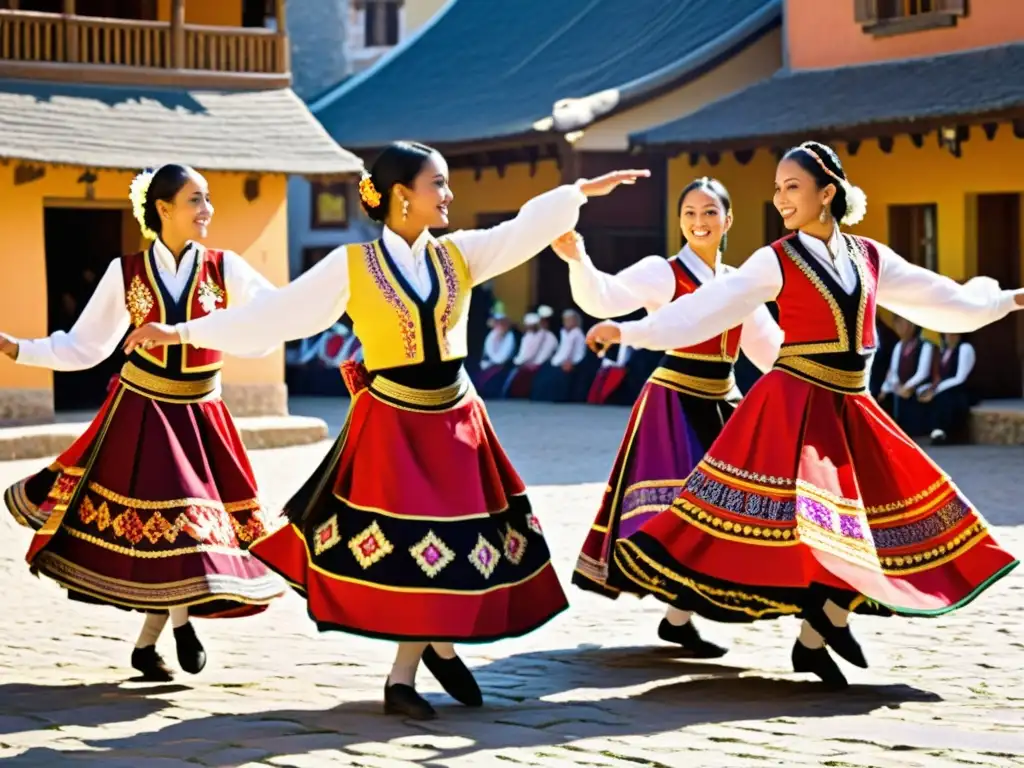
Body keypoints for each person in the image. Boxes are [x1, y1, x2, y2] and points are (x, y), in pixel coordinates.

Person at [123, 141, 649, 719]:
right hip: (395, 423)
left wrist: (577, 195)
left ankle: (438, 650)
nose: (449, 195)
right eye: (438, 184)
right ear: (402, 195)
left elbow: (524, 229)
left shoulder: (462, 255)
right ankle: (406, 676)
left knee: (454, 546)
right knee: (413, 549)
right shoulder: (350, 265)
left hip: (457, 419)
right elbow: (280, 313)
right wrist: (181, 334)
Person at [585, 141, 1022, 687]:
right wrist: (630, 330)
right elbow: (703, 311)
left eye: (792, 187)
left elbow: (938, 297)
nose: (781, 198)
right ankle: (802, 623)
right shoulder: (774, 258)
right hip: (794, 408)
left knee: (885, 522)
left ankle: (816, 638)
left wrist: (1006, 300)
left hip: (852, 407)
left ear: (827, 193)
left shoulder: (869, 256)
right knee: (829, 528)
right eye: (777, 188)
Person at [0, 164, 285, 682]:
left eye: (209, 199)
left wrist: (183, 330)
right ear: (163, 209)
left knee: (184, 534)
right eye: (196, 200)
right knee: (180, 529)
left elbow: (268, 323)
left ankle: (153, 640)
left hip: (203, 415)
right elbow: (84, 345)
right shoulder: (125, 272)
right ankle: (180, 629)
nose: (207, 210)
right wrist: (18, 349)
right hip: (146, 413)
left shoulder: (228, 268)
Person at [556, 177, 782, 655]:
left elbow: (769, 350)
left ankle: (678, 619)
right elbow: (605, 299)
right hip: (673, 400)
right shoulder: (665, 271)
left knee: (721, 513)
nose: (699, 222)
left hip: (724, 400)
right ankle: (675, 607)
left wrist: (816, 377)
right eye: (690, 213)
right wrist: (579, 259)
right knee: (678, 511)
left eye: (709, 213)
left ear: (728, 220)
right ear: (680, 220)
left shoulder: (741, 282)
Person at [877, 316, 934, 437]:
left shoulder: (925, 345)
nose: (899, 328)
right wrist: (894, 387)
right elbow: (893, 371)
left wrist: (907, 387)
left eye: (902, 324)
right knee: (885, 398)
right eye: (897, 324)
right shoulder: (899, 346)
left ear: (912, 325)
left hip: (917, 388)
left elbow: (923, 373)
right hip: (901, 389)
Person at [918, 332, 977, 445]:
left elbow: (960, 378)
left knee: (945, 398)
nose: (950, 336)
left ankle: (942, 431)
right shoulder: (944, 351)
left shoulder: (965, 348)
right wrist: (927, 389)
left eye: (953, 333)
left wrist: (935, 391)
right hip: (944, 389)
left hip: (962, 391)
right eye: (947, 334)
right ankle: (933, 430)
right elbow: (940, 377)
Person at [530, 309, 587, 402]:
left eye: (569, 320)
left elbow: (576, 352)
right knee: (544, 371)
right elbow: (562, 350)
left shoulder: (577, 333)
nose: (566, 322)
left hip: (573, 363)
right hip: (560, 361)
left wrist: (570, 362)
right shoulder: (564, 333)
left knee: (553, 374)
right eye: (565, 320)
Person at [503, 310, 558, 398]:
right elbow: (525, 352)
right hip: (528, 362)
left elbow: (541, 355)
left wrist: (530, 363)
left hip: (542, 365)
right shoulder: (529, 336)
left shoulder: (550, 337)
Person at [473, 313, 516, 398]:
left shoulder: (510, 336)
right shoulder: (492, 335)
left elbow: (505, 355)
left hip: (503, 365)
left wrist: (494, 362)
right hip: (490, 363)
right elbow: (488, 351)